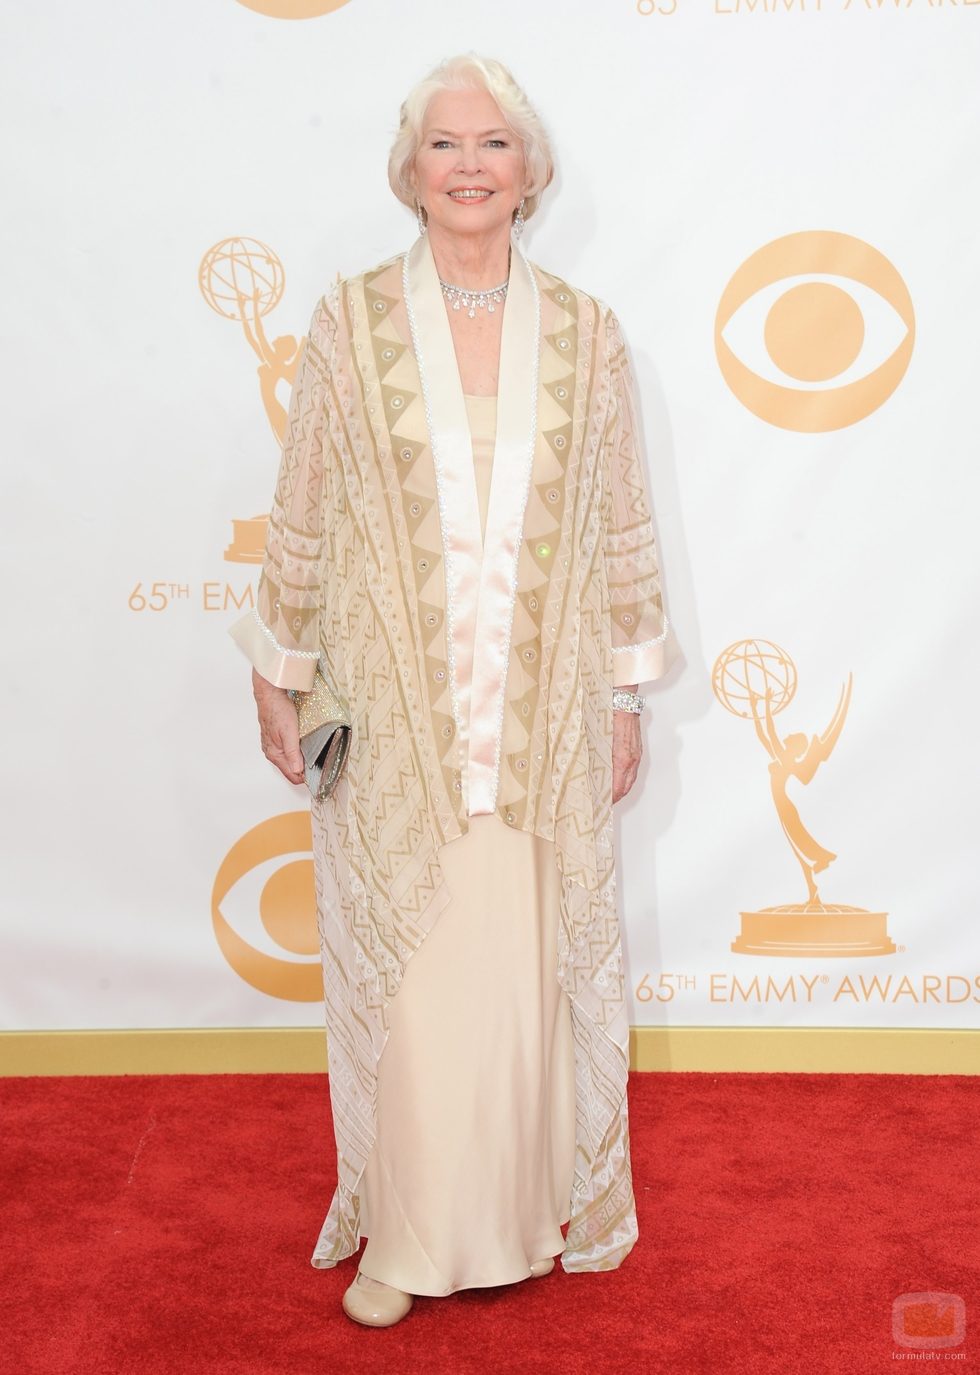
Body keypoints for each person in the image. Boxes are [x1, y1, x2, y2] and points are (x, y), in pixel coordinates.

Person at [229, 52, 678, 1328]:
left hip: (534, 716)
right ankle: (412, 1239)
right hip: (392, 709)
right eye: (444, 144)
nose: (469, 165)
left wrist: (623, 695)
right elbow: (304, 501)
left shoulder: (587, 334)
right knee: (414, 978)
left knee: (514, 977)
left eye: (492, 144)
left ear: (528, 171)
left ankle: (519, 1216)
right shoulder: (348, 317)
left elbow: (621, 523)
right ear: (408, 170)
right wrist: (282, 669)